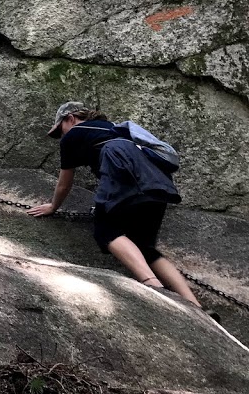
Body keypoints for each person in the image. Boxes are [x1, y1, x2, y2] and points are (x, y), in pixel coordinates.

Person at [28, 101, 202, 307]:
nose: (62, 136)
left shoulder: (74, 134)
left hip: (122, 169)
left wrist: (52, 206)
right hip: (156, 181)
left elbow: (65, 183)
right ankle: (195, 306)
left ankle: (155, 288)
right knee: (144, 248)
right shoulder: (114, 128)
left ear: (70, 119)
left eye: (60, 130)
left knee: (105, 231)